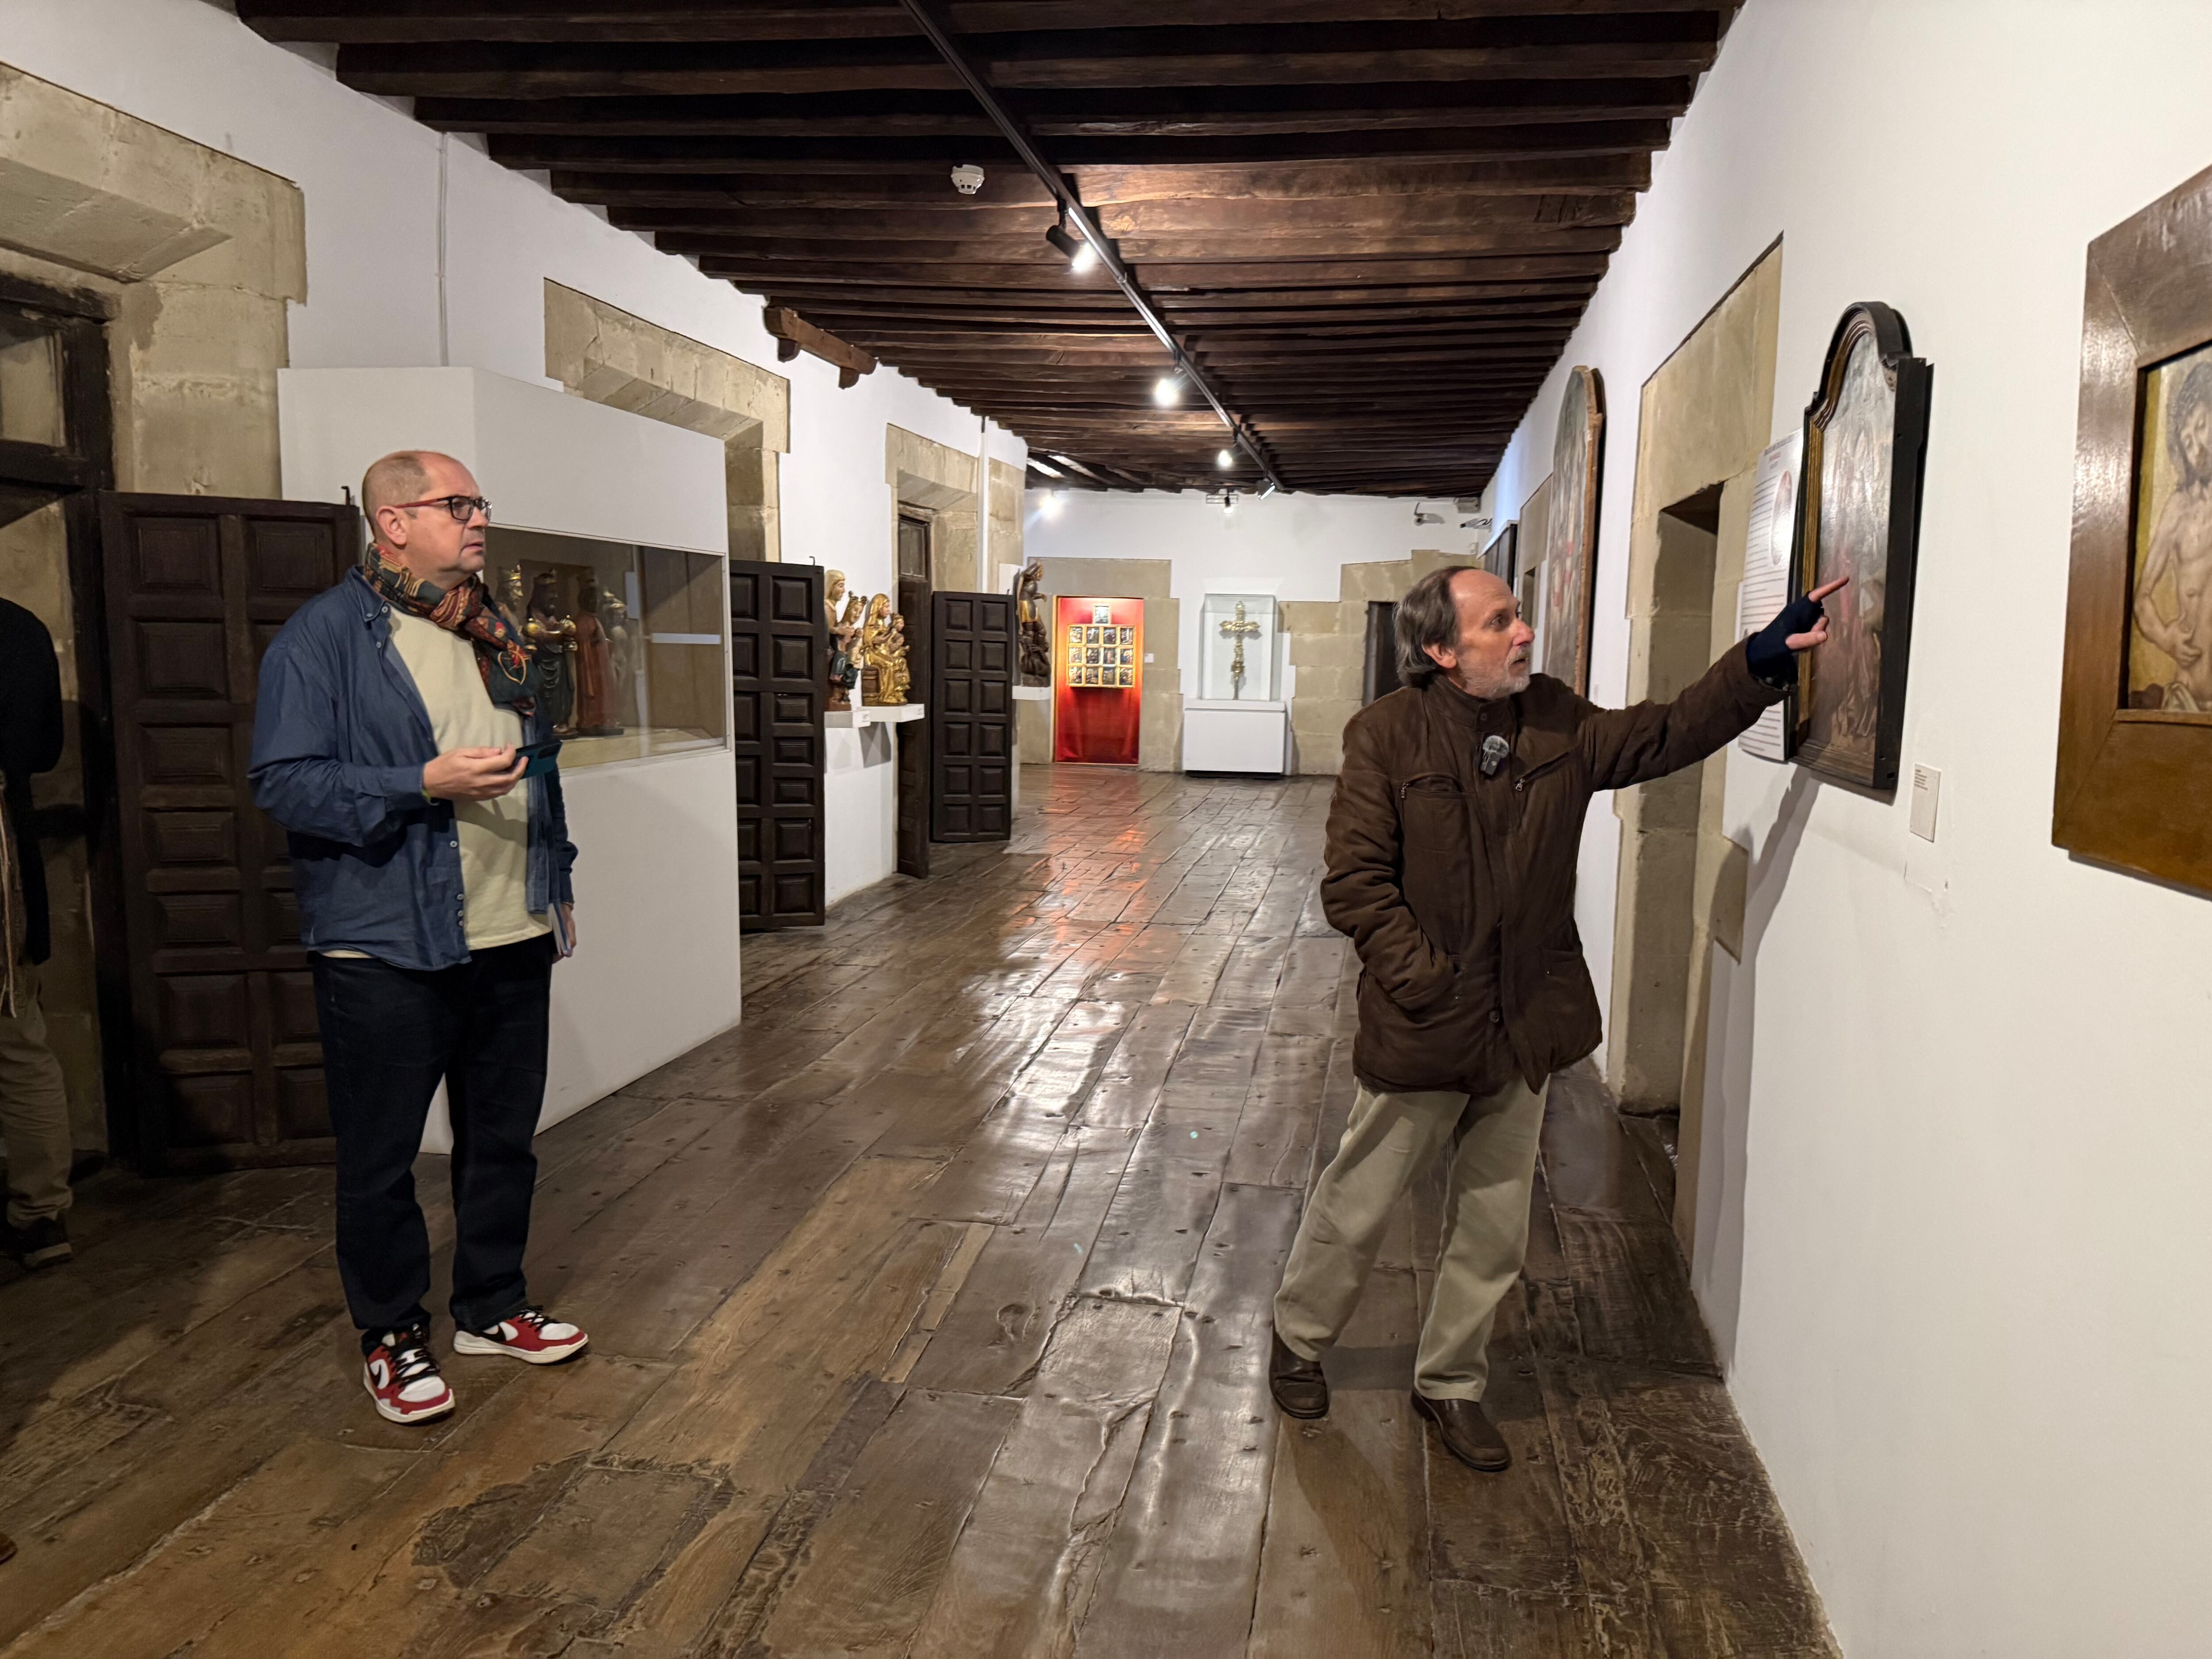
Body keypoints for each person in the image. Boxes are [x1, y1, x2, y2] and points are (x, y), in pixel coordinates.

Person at [1269, 563, 1841, 1471]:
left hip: (1526, 1018)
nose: (1525, 632)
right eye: (1500, 622)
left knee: (1494, 1221)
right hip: (1427, 1019)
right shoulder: (1386, 735)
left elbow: (1661, 734)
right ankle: (1298, 1337)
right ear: (1441, 650)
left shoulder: (1556, 721)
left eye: (1519, 615)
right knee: (1363, 1195)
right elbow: (1355, 884)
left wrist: (1762, 660)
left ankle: (1449, 1383)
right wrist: (1425, 979)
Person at [250, 449, 589, 1427]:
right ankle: (392, 1334)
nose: (479, 519)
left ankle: (491, 1303)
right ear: (393, 522)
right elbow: (284, 783)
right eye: (458, 504)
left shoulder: (492, 628)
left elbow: (539, 765)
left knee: (502, 1139)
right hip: (385, 942)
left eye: (480, 502)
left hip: (509, 928)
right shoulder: (322, 639)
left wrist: (553, 878)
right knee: (381, 1156)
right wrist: (417, 784)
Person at [0, 596, 74, 1271]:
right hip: (6, 853)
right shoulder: (20, 627)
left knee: (18, 1032)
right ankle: (42, 1213)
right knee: (18, 1035)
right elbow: (44, 747)